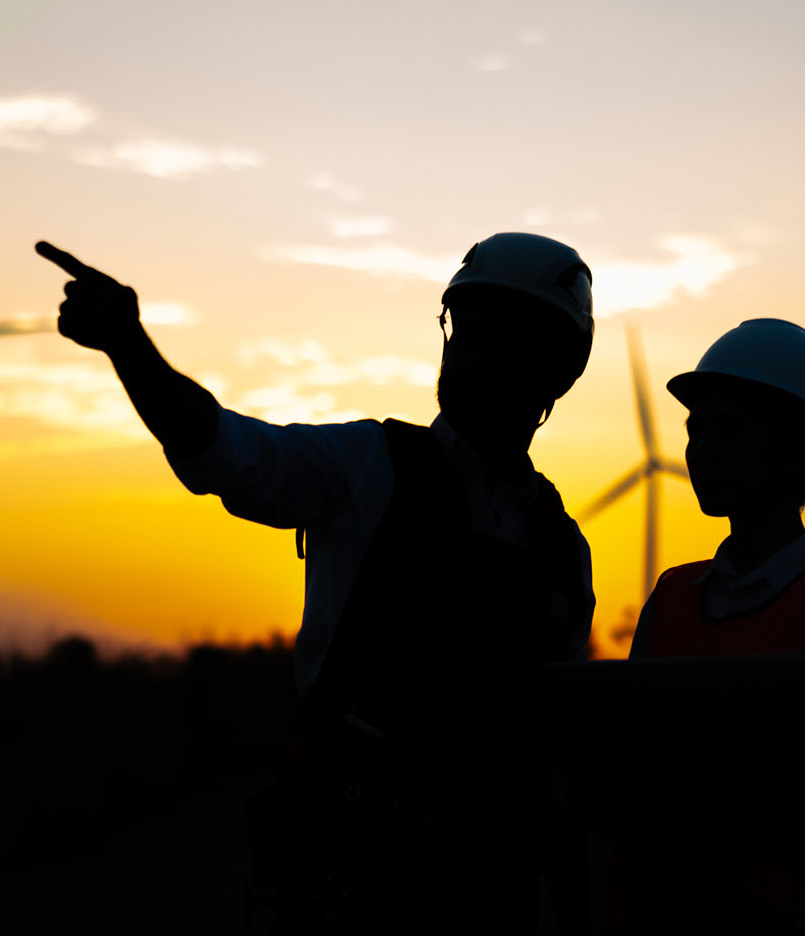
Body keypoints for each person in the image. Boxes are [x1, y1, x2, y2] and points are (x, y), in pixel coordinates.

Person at [35, 233, 598, 934]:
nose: (476, 356)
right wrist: (131, 348)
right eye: (467, 332)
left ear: (559, 370)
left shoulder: (561, 549)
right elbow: (223, 450)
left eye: (507, 342)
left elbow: (565, 757)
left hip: (485, 893)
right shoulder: (366, 467)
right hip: (345, 880)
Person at [608, 319, 805, 935]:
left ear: (796, 448)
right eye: (695, 429)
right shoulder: (672, 597)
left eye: (730, 429)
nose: (701, 451)